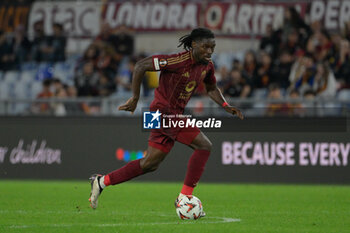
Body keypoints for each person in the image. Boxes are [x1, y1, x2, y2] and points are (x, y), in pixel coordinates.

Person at [88, 28, 244, 216]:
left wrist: (225, 105)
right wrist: (135, 98)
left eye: (212, 47)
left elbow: (211, 88)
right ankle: (185, 198)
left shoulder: (207, 66)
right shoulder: (177, 61)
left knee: (149, 164)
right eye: (205, 47)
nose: (210, 51)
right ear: (194, 44)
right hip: (160, 113)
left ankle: (102, 181)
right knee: (204, 145)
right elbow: (140, 66)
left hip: (167, 115)